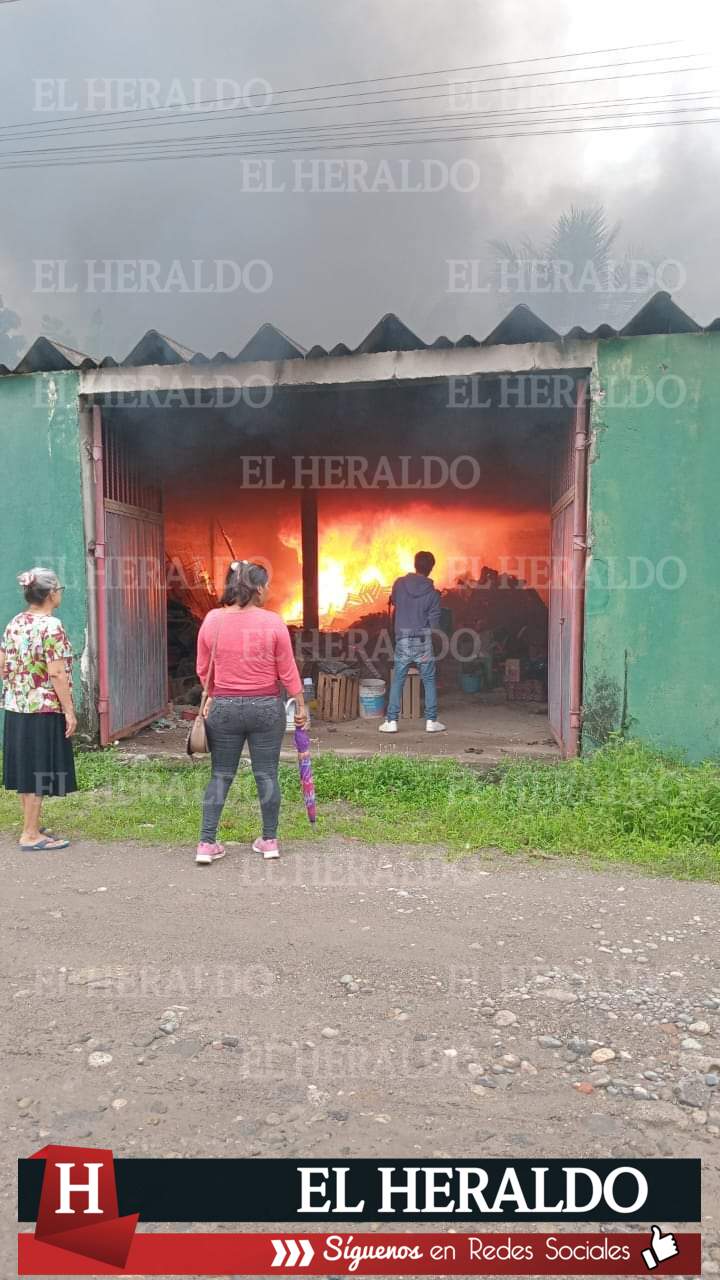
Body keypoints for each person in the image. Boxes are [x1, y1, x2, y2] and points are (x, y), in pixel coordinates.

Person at [195, 560, 306, 865]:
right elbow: (287, 669)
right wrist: (301, 703)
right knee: (266, 773)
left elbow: (203, 668)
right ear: (257, 588)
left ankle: (206, 843)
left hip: (224, 709)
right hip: (266, 708)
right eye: (266, 584)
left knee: (220, 774)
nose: (268, 590)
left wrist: (213, 692)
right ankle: (269, 840)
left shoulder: (212, 620)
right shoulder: (273, 622)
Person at [0, 568, 77, 850]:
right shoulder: (51, 626)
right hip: (42, 708)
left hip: (16, 706)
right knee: (38, 770)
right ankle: (31, 834)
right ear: (50, 594)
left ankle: (30, 825)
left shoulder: (15, 622)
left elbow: (2, 663)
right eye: (59, 589)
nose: (60, 594)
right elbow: (56, 673)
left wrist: (18, 687)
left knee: (25, 768)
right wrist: (68, 710)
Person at [379, 550, 446, 734]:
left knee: (398, 679)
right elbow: (434, 625)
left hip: (403, 641)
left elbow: (394, 601)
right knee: (429, 680)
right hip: (423, 641)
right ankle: (431, 721)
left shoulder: (400, 584)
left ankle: (391, 721)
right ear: (431, 569)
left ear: (415, 564)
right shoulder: (433, 594)